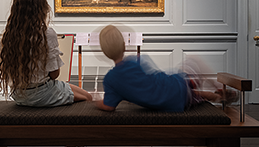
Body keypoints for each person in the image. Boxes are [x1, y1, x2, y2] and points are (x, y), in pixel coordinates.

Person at [0, 0, 98, 147]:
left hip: (19, 95)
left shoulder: (7, 36)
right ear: (41, 7)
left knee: (70, 90)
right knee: (88, 98)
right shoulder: (46, 33)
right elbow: (54, 74)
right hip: (42, 94)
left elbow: (7, 70)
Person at [95, 25, 226, 113]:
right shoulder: (136, 61)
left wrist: (96, 103)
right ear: (124, 46)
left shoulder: (110, 80)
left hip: (178, 103)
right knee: (193, 60)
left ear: (104, 52)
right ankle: (219, 88)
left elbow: (109, 106)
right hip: (179, 86)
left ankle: (205, 96)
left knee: (190, 95)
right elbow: (157, 75)